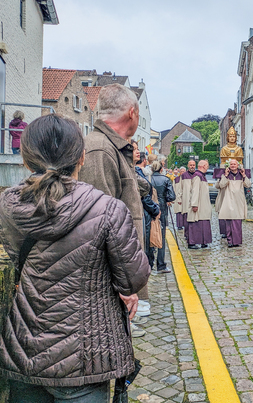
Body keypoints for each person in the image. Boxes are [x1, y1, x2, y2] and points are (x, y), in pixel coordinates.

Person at [0, 114, 150, 402]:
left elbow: (19, 256)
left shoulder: (9, 206)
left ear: (25, 159)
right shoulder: (108, 209)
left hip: (25, 346)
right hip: (84, 354)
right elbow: (133, 276)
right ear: (81, 157)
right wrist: (125, 291)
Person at [78, 83, 151, 318]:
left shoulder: (113, 147)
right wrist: (123, 284)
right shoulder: (100, 150)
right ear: (132, 113)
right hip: (107, 283)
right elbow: (98, 225)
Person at [133, 146, 160, 277]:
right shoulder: (136, 172)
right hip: (142, 211)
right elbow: (145, 195)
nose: (137, 151)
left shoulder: (139, 172)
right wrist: (155, 209)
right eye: (134, 149)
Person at [218, 159, 251, 247]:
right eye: (231, 164)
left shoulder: (241, 175)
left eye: (234, 164)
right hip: (229, 199)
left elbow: (248, 185)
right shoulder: (226, 175)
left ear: (237, 165)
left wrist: (244, 175)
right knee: (229, 220)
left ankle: (236, 240)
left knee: (237, 221)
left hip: (238, 200)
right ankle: (230, 240)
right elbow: (221, 185)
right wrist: (225, 175)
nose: (233, 166)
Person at [151, 160, 176, 271]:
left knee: (148, 233)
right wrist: (165, 198)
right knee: (161, 235)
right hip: (161, 207)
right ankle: (160, 264)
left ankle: (149, 263)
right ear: (161, 169)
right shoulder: (166, 180)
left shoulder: (147, 178)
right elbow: (172, 196)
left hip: (149, 207)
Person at [185, 160, 213, 249]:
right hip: (199, 204)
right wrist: (194, 204)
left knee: (203, 223)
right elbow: (195, 191)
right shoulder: (197, 177)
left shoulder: (201, 176)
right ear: (204, 166)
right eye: (207, 166)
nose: (208, 168)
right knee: (196, 223)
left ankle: (203, 241)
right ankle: (192, 242)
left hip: (203, 204)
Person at [179, 159, 201, 243]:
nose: (192, 166)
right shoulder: (184, 175)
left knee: (193, 220)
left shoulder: (197, 175)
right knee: (186, 219)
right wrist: (179, 198)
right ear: (188, 166)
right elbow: (180, 188)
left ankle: (193, 236)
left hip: (194, 200)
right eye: (190, 165)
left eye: (193, 165)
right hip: (185, 199)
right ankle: (187, 235)